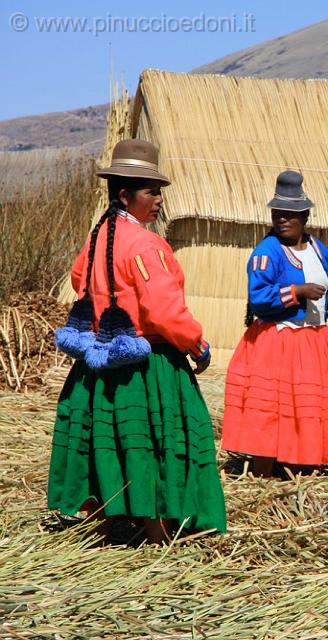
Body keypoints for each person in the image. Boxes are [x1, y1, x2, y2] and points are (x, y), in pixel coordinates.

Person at [49, 139, 226, 543]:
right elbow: (164, 311)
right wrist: (197, 344)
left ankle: (110, 520)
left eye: (160, 190)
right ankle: (158, 530)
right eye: (151, 191)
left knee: (110, 439)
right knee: (155, 443)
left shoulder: (99, 236)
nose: (160, 199)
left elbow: (80, 282)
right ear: (125, 195)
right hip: (149, 365)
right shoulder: (146, 244)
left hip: (99, 363)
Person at [221, 170, 328, 477]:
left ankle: (302, 466)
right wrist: (297, 292)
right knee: (271, 408)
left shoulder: (315, 247)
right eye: (277, 213)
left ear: (304, 216)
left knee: (307, 407)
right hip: (276, 342)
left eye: (290, 214)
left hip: (313, 340)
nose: (282, 219)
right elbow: (258, 298)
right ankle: (263, 472)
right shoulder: (267, 253)